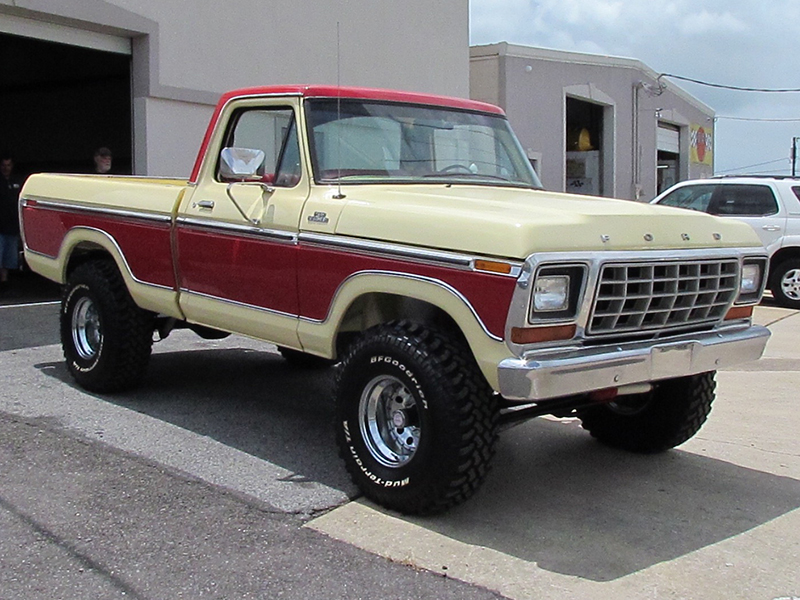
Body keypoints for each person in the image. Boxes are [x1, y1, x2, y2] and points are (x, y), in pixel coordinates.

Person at [0, 155, 22, 292]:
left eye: (8, 165)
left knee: (9, 257)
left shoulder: (17, 181)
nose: (6, 168)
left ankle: (4, 281)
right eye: (3, 165)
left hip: (12, 226)